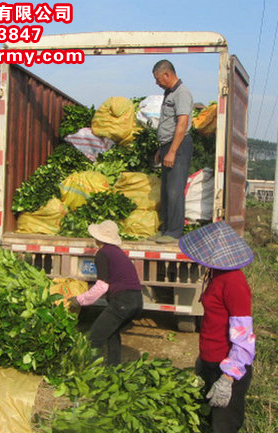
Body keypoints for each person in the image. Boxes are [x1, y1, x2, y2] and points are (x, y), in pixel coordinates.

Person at [177, 222, 256, 433]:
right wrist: (203, 362)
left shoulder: (234, 282)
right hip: (211, 364)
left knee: (225, 432)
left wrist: (228, 378)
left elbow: (244, 339)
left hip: (228, 370)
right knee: (211, 425)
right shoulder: (215, 275)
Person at [69, 220, 143, 365]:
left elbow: (102, 286)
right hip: (136, 302)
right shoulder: (118, 253)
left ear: (98, 238)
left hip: (122, 302)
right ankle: (114, 369)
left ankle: (92, 374)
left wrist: (79, 300)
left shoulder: (103, 253)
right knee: (111, 334)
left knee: (94, 338)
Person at [151, 59, 194, 244]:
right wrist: (163, 149)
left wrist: (172, 151)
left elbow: (182, 124)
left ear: (167, 74)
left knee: (175, 190)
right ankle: (166, 230)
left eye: (158, 78)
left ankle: (175, 233)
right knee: (166, 191)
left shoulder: (182, 93)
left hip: (179, 145)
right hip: (168, 145)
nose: (156, 82)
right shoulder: (170, 93)